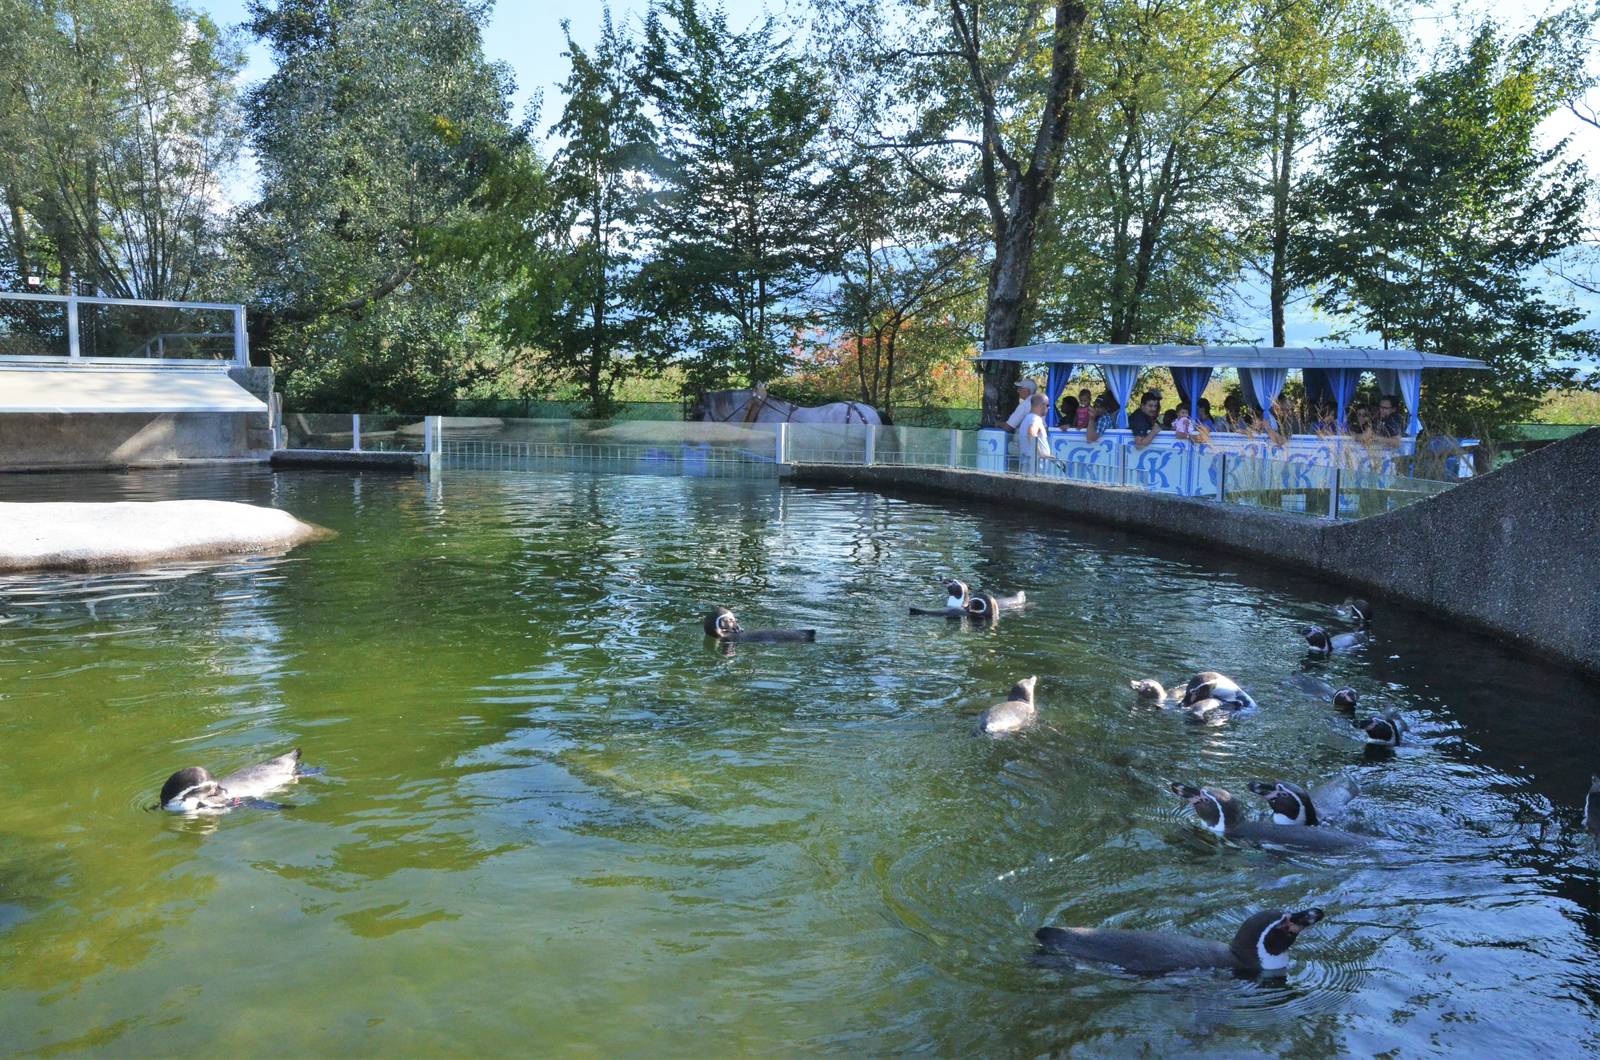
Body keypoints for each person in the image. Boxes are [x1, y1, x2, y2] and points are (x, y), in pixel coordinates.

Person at [1018, 393, 1052, 474]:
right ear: (1041, 405)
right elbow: (1031, 433)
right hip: (1036, 464)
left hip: (1029, 462)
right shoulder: (1036, 419)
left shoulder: (1027, 419)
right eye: (1047, 405)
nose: (1049, 408)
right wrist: (1041, 454)